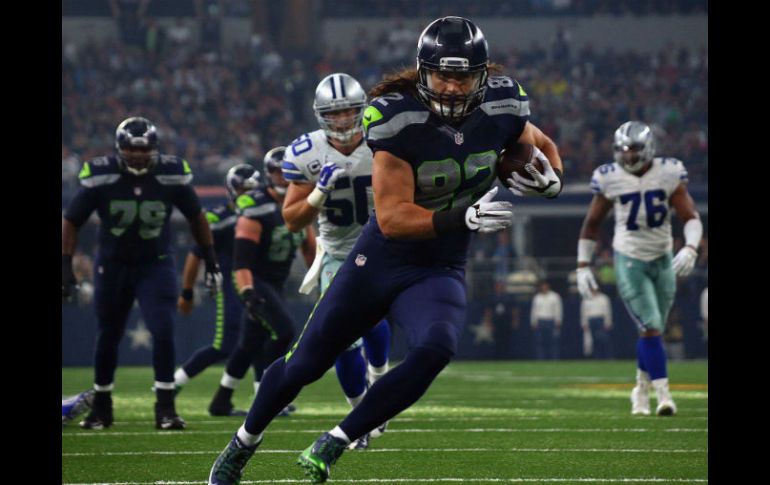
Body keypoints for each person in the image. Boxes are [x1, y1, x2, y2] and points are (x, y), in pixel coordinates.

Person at [207, 16, 563, 484]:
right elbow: (393, 219)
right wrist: (462, 218)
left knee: (436, 347)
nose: (452, 87)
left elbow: (540, 144)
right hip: (380, 259)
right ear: (423, 72)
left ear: (483, 75)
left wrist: (553, 181)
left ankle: (335, 441)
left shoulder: (504, 103)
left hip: (439, 264)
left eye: (463, 77)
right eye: (442, 75)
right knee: (305, 363)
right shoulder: (397, 117)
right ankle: (242, 444)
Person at [62, 116, 222, 430]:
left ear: (155, 149)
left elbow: (197, 217)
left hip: (155, 262)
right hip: (113, 263)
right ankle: (102, 408)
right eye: (131, 149)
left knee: (163, 328)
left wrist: (211, 260)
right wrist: (65, 265)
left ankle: (166, 408)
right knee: (108, 333)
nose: (137, 155)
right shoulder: (102, 175)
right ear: (119, 148)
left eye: (144, 149)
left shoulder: (171, 174)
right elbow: (71, 220)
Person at [280, 72, 393, 450]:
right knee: (342, 342)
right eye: (334, 113)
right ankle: (359, 418)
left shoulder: (384, 139)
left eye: (349, 111)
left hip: (381, 246)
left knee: (374, 321)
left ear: (361, 110)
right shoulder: (306, 152)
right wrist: (318, 193)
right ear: (320, 115)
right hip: (336, 255)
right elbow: (292, 220)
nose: (343, 120)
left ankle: (379, 376)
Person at [576, 120, 702, 417]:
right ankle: (664, 396)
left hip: (663, 258)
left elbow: (690, 216)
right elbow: (592, 224)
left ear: (648, 148)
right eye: (622, 150)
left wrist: (690, 247)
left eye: (633, 149)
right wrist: (582, 264)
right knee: (651, 326)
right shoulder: (609, 177)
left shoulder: (668, 172)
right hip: (629, 258)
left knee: (653, 330)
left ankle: (640, 390)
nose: (628, 155)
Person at [207, 154, 317, 417]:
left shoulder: (301, 203)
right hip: (254, 279)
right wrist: (247, 291)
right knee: (284, 331)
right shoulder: (256, 206)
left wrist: (321, 278)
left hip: (276, 282)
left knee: (249, 343)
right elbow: (242, 260)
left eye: (289, 172)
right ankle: (268, 395)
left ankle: (221, 401)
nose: (284, 178)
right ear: (268, 174)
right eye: (279, 172)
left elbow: (310, 248)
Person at [172, 163, 256, 396]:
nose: (247, 195)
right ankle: (173, 383)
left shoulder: (262, 212)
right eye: (243, 189)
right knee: (224, 346)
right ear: (231, 189)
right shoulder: (218, 217)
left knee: (261, 340)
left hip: (257, 283)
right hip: (229, 284)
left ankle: (260, 396)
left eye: (251, 190)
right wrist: (187, 291)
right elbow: (195, 255)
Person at [530, 281, 563, 360]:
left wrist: (558, 320)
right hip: (540, 321)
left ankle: (554, 359)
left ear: (548, 287)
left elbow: (558, 309)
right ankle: (540, 360)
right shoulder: (537, 297)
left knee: (553, 342)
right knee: (539, 342)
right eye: (542, 287)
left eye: (545, 287)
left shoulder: (555, 296)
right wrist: (533, 322)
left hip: (551, 321)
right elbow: (534, 311)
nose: (544, 288)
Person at [580, 288, 614, 359]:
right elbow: (583, 312)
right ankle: (597, 357)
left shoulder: (604, 298)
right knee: (593, 340)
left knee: (604, 339)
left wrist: (608, 321)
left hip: (600, 320)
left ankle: (608, 356)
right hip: (591, 320)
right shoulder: (586, 299)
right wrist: (584, 322)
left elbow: (608, 311)